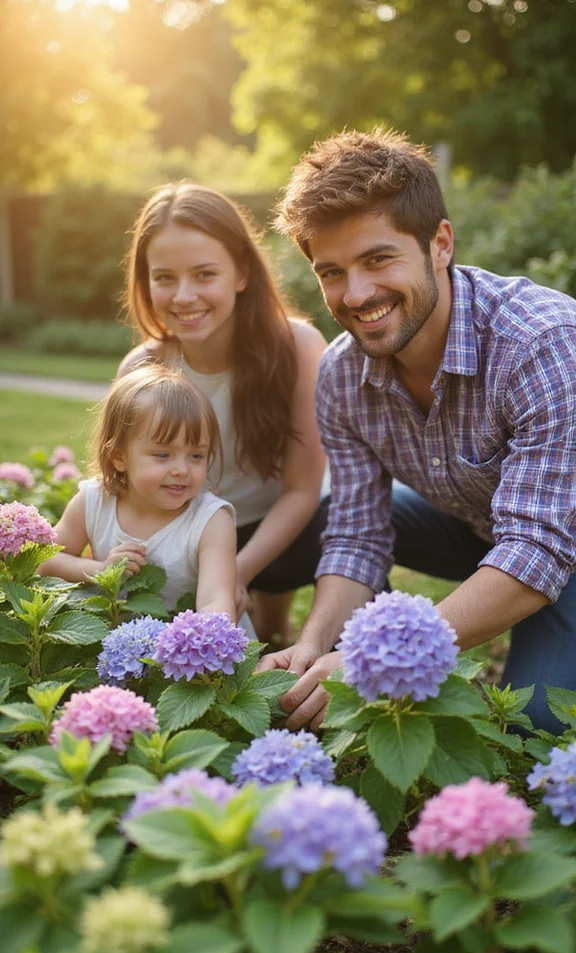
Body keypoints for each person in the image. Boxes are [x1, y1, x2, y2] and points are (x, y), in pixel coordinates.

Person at [260, 127, 576, 735]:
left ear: (440, 244)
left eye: (378, 259)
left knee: (536, 725)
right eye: (332, 272)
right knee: (332, 516)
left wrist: (369, 661)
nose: (357, 294)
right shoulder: (341, 374)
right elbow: (357, 534)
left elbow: (539, 548)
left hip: (560, 536)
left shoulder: (539, 343)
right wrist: (317, 642)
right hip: (482, 524)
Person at [117, 183, 328, 645]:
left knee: (285, 632)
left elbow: (301, 491)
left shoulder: (299, 347)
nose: (184, 295)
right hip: (193, 534)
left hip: (291, 530)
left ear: (242, 272)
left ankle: (287, 621)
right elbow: (126, 491)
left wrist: (237, 572)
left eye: (204, 274)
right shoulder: (142, 369)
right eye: (165, 277)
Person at [40, 365, 240, 621]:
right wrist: (102, 570)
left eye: (196, 455)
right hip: (113, 642)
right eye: (163, 455)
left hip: (181, 646)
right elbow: (47, 561)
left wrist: (204, 644)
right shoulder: (94, 501)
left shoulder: (211, 520)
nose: (181, 469)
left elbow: (216, 598)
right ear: (119, 457)